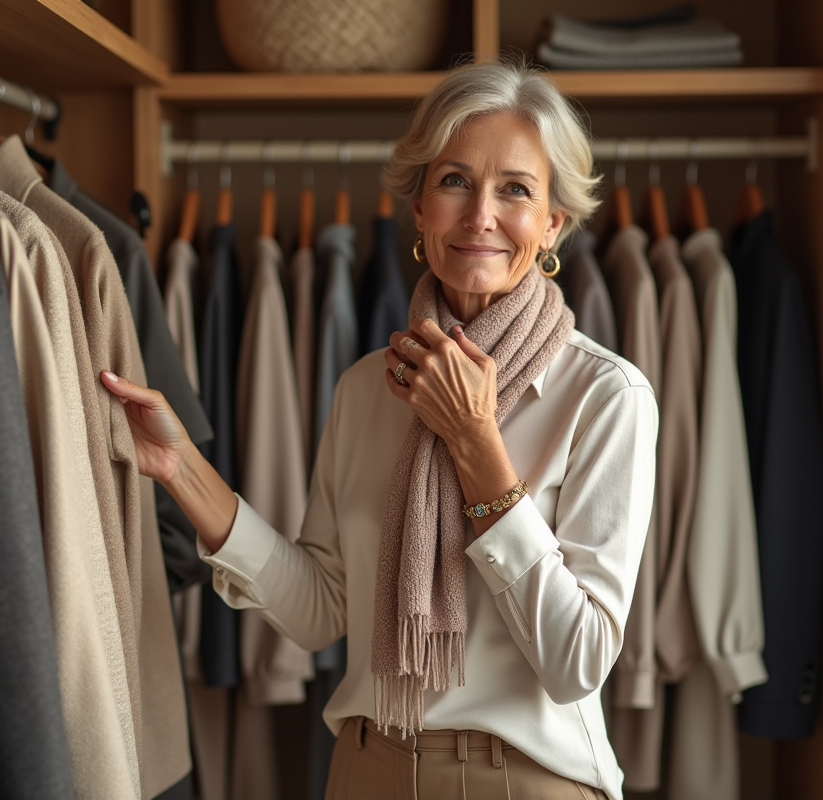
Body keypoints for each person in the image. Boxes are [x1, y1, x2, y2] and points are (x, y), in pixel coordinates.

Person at [101, 60, 657, 800]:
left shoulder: (605, 396)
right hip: (366, 769)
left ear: (552, 224)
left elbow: (577, 661)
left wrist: (475, 442)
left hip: (523, 781)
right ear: (421, 208)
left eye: (516, 190)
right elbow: (319, 610)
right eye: (455, 181)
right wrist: (181, 470)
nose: (480, 215)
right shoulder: (368, 387)